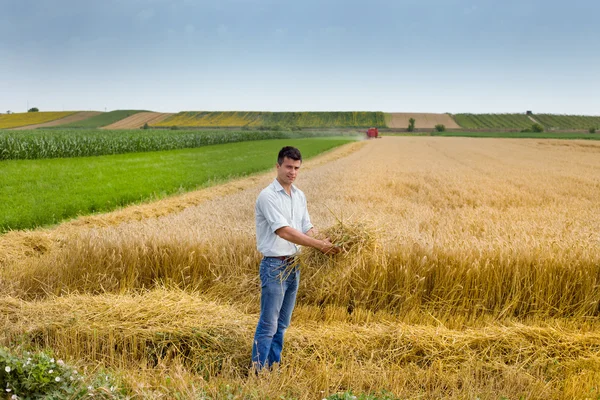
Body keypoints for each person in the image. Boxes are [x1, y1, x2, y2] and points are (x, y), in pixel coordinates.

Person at [251, 146, 340, 371]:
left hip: (294, 265)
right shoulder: (267, 196)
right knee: (268, 324)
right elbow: (284, 231)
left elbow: (306, 227)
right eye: (288, 167)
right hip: (274, 266)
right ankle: (258, 371)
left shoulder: (299, 196)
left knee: (282, 324)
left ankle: (273, 367)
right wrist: (320, 246)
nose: (292, 172)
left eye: (297, 168)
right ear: (278, 166)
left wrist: (330, 241)